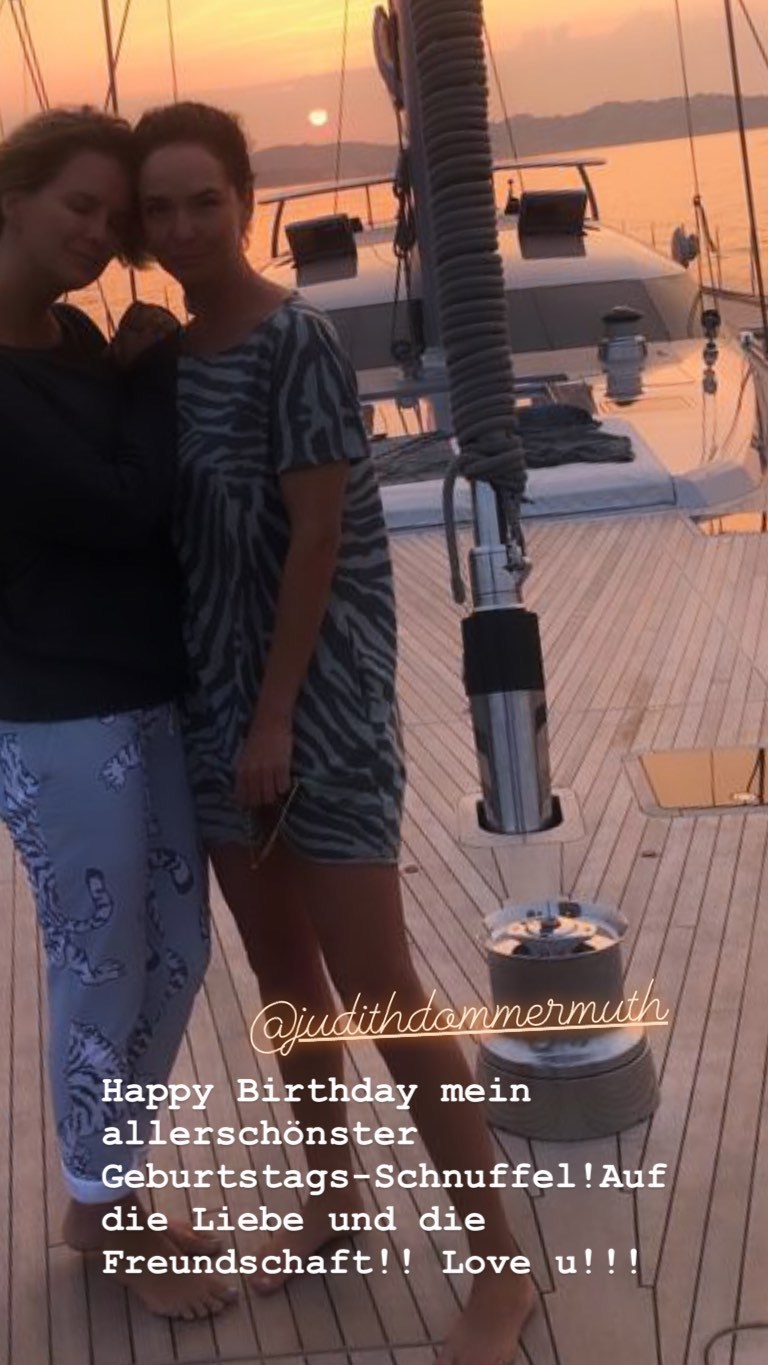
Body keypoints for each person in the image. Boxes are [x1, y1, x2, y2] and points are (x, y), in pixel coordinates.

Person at [129, 100, 536, 1365]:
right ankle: (335, 1201)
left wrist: (275, 719)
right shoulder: (165, 358)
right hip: (214, 709)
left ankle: (500, 1268)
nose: (183, 226)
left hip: (318, 710)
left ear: (245, 202)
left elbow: (316, 539)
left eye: (204, 201)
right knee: (287, 981)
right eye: (158, 208)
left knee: (383, 994)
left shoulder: (293, 341)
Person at [0, 107, 237, 1321]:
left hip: (143, 691)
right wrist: (156, 367)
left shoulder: (75, 340)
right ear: (13, 201)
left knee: (179, 949)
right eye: (79, 206)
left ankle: (106, 1183)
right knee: (100, 961)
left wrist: (133, 360)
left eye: (112, 214)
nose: (101, 233)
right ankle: (108, 1206)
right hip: (51, 711)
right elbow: (120, 503)